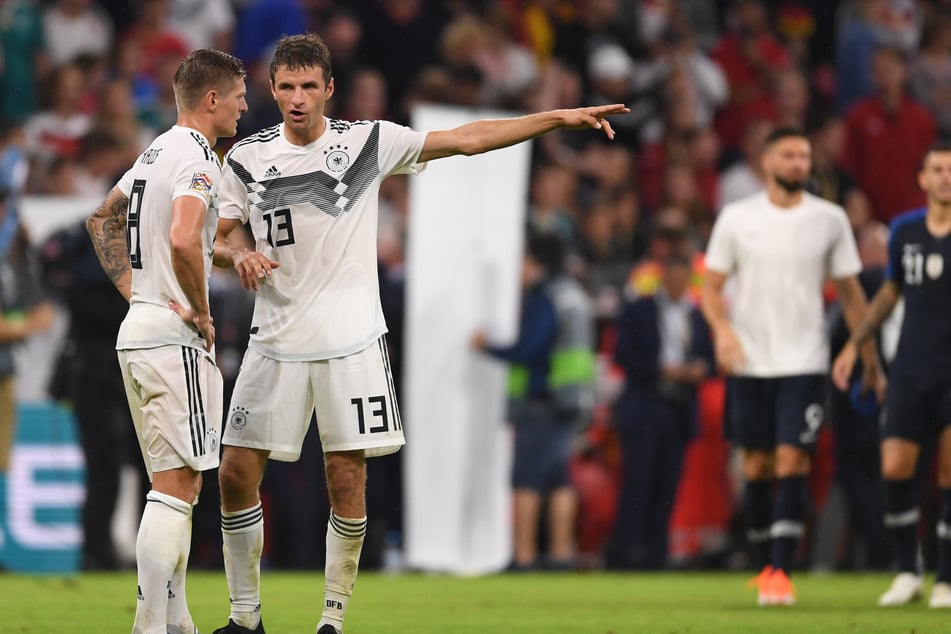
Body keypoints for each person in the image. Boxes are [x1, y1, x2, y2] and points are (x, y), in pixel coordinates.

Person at [210, 32, 627, 634]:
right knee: (234, 473)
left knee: (345, 475)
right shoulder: (247, 158)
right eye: (286, 87)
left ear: (329, 89)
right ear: (272, 90)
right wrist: (239, 254)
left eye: (309, 87)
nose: (297, 98)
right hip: (273, 337)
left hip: (351, 338)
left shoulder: (367, 142)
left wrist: (553, 119)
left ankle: (332, 619)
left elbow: (466, 140)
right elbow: (223, 236)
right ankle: (245, 618)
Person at [85, 48, 247, 634]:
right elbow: (183, 240)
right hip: (173, 338)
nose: (244, 107)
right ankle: (151, 625)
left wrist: (136, 291)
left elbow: (100, 219)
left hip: (140, 332)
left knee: (173, 484)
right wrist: (201, 312)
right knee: (177, 489)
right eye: (237, 97)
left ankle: (175, 621)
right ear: (212, 100)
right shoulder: (200, 157)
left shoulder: (153, 151)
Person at [700, 127, 882, 606]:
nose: (800, 163)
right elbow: (711, 287)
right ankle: (766, 564)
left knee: (792, 459)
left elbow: (851, 294)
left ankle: (781, 569)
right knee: (756, 466)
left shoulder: (830, 220)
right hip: (750, 361)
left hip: (805, 361)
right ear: (766, 162)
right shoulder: (738, 219)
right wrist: (722, 331)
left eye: (805, 155)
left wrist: (866, 356)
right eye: (789, 155)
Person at [833, 142, 951, 608]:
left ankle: (946, 577)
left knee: (948, 474)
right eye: (938, 169)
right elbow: (888, 295)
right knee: (895, 468)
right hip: (911, 368)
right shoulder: (904, 231)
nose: (946, 177)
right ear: (922, 179)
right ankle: (908, 571)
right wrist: (854, 343)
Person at [473, 231, 594, 572]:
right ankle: (560, 554)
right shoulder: (575, 295)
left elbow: (530, 348)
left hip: (543, 400)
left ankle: (524, 556)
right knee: (560, 481)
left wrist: (488, 347)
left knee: (526, 479)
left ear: (536, 263)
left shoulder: (547, 298)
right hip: (570, 399)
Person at [606, 254, 713, 570]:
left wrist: (699, 369)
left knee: (667, 485)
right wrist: (660, 370)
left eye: (684, 279)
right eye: (674, 278)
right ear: (665, 279)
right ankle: (624, 554)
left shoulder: (697, 316)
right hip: (644, 405)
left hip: (678, 408)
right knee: (637, 482)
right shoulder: (640, 310)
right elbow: (622, 355)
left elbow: (707, 357)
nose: (679, 285)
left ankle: (655, 556)